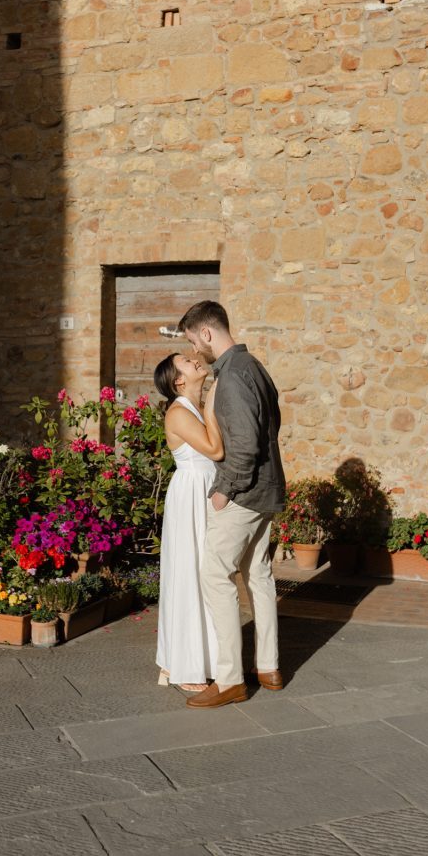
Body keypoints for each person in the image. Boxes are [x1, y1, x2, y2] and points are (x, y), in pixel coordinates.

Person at [177, 300, 286, 708]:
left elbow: (245, 444)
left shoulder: (235, 375)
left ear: (207, 333)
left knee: (214, 575)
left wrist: (226, 490)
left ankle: (228, 681)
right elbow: (270, 425)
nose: (195, 351)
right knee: (258, 574)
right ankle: (269, 667)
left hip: (244, 493)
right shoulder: (254, 366)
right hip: (267, 489)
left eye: (193, 340)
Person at [153, 352, 224, 692]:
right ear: (178, 380)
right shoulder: (179, 411)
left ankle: (180, 662)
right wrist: (211, 402)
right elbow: (214, 449)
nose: (195, 359)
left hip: (203, 491)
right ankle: (184, 665)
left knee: (204, 575)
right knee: (189, 573)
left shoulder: (191, 408)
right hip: (191, 494)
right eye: (185, 361)